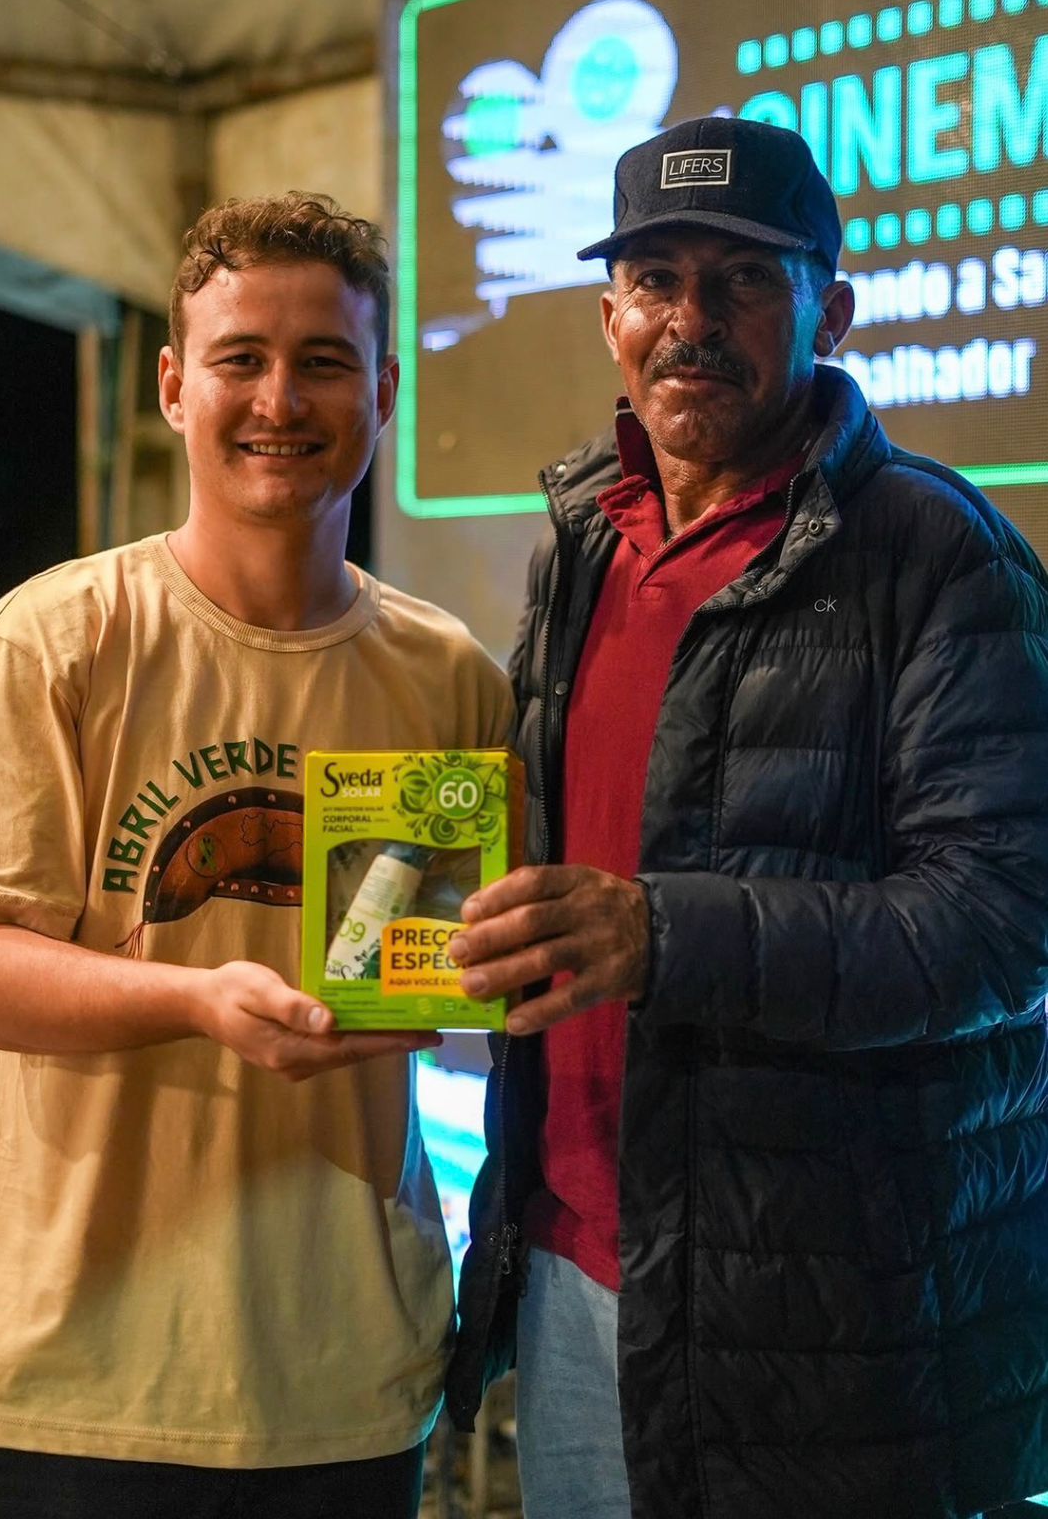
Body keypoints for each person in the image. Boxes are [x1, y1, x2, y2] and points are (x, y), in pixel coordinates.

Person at [444, 115, 1048, 1519]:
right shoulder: (582, 545)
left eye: (745, 280)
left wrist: (661, 935)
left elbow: (1004, 925)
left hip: (836, 1330)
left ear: (829, 314)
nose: (691, 321)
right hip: (579, 1274)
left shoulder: (938, 553)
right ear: (608, 321)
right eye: (655, 281)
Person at [0, 192, 513, 1519]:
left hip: (350, 1375)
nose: (280, 400)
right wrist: (195, 999)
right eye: (243, 358)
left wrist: (502, 972)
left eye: (324, 361)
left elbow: (447, 977)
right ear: (176, 387)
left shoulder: (451, 675)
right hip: (85, 1379)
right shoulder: (55, 639)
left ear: (384, 392)